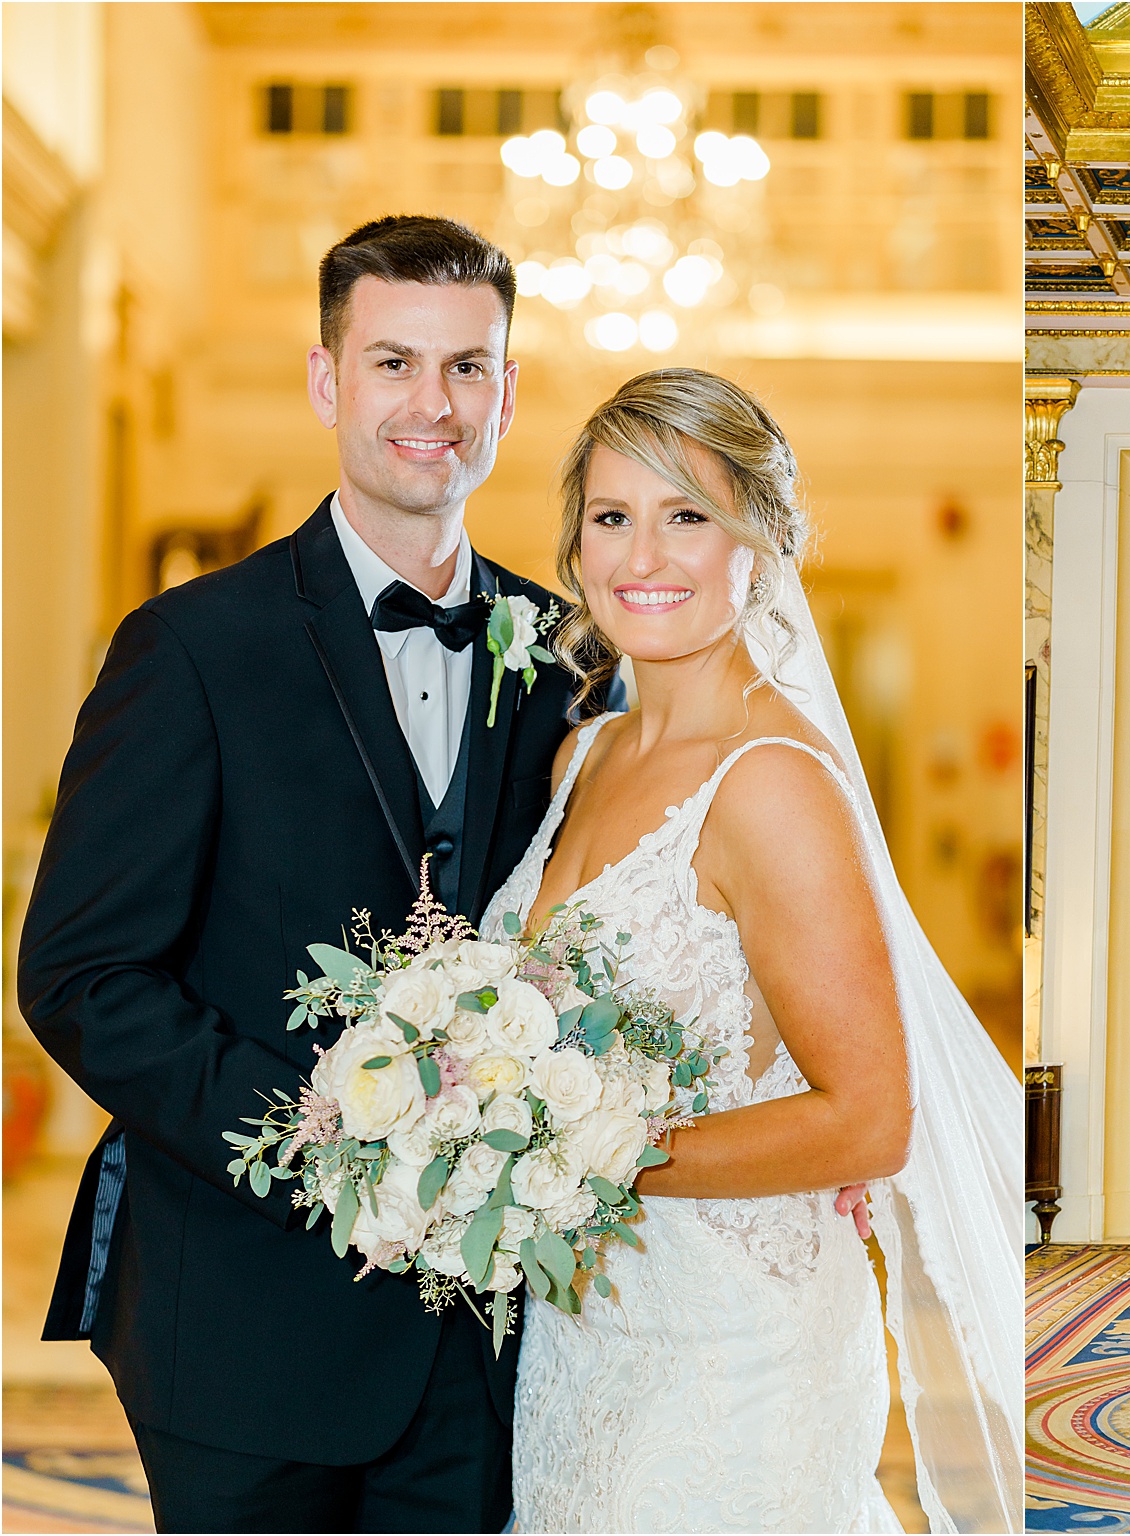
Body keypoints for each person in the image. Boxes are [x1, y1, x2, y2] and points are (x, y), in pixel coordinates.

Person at [17, 216, 571, 1531]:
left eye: (468, 367)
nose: (432, 405)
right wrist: (317, 1133)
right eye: (393, 363)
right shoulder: (191, 648)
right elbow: (83, 974)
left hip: (481, 1347)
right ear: (327, 383)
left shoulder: (563, 653)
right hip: (243, 1325)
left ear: (506, 389)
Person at [491, 369, 1021, 1533]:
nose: (645, 554)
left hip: (734, 1353)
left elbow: (869, 1117)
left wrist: (588, 1157)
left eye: (689, 514)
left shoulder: (771, 782)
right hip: (585, 1335)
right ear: (575, 545)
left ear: (761, 545)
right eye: (612, 516)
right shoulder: (582, 758)